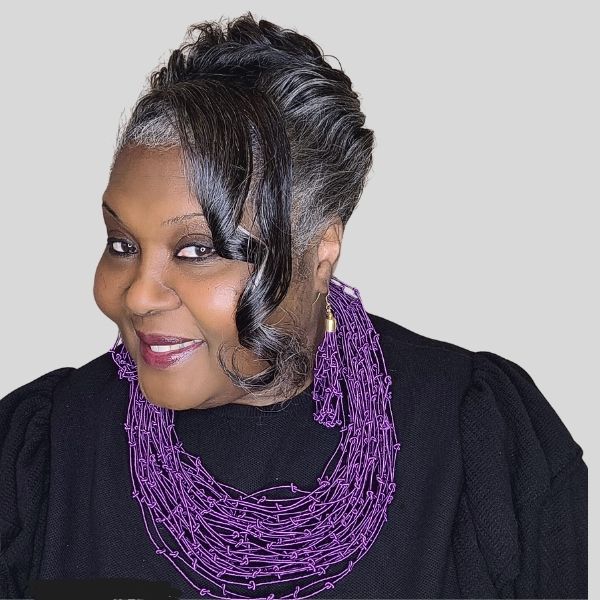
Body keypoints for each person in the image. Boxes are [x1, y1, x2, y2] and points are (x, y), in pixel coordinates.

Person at [0, 12, 587, 600]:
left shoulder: (477, 447)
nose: (138, 294)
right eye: (123, 245)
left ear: (320, 249)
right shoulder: (41, 458)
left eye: (198, 249)